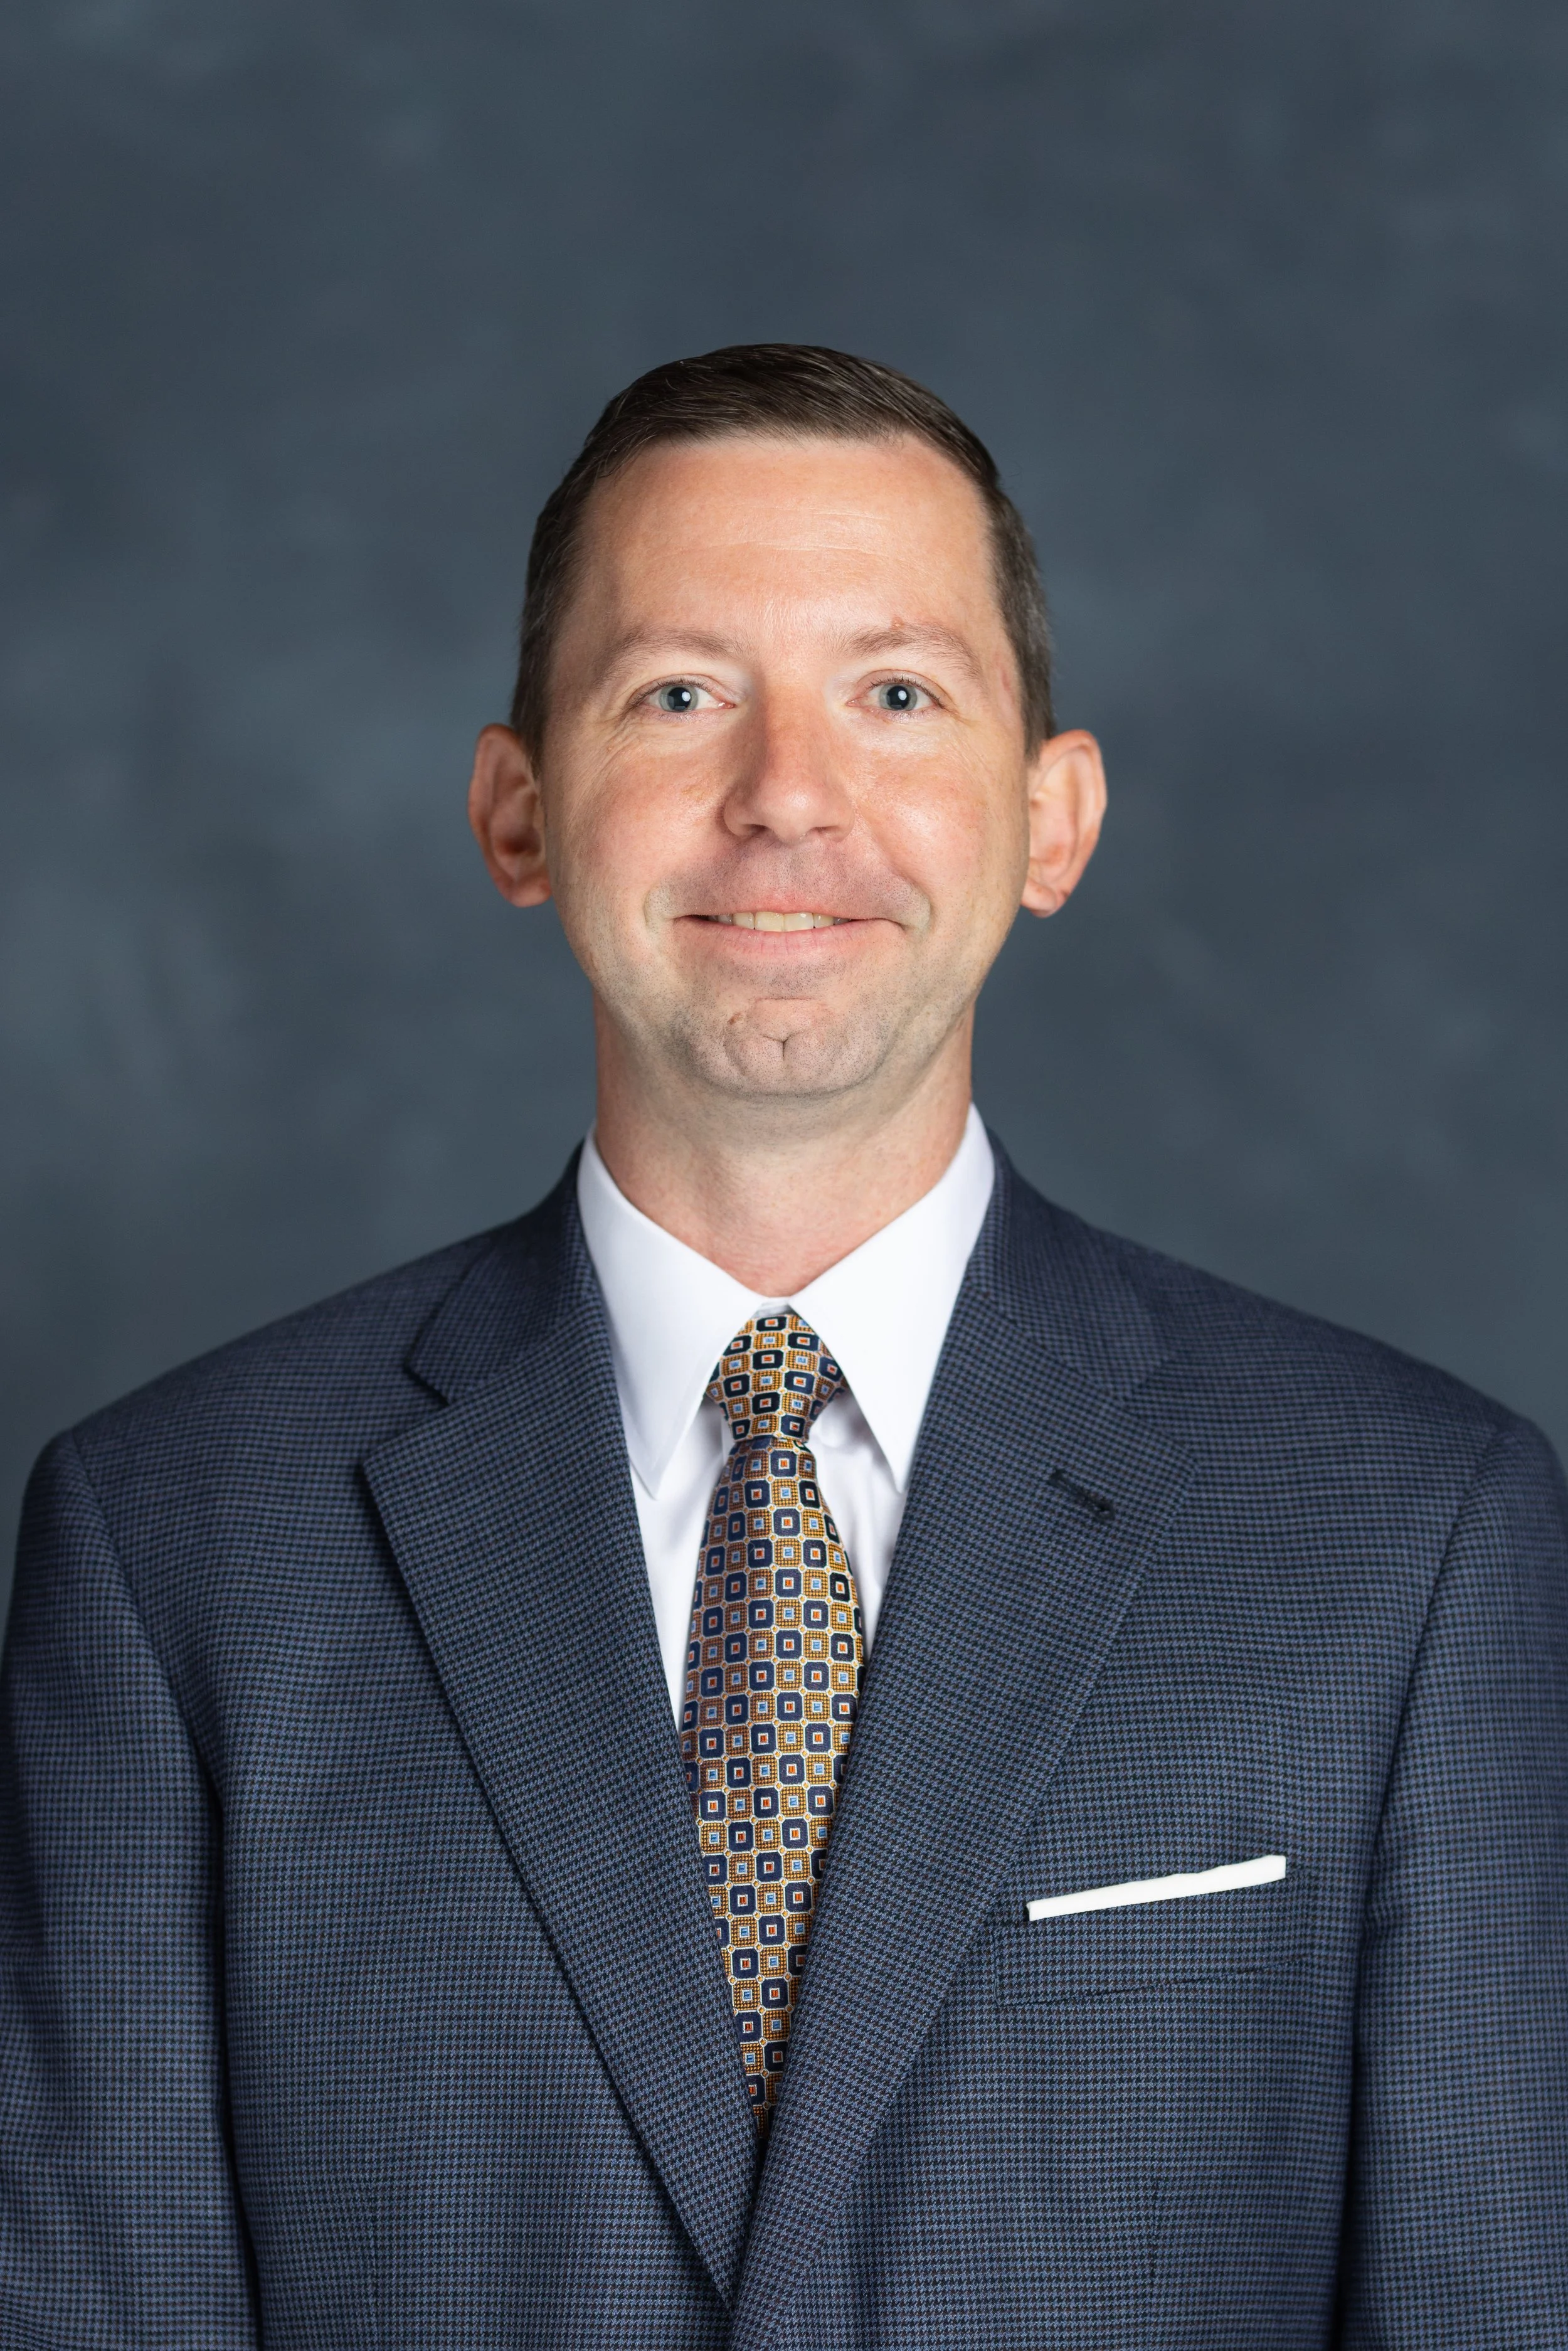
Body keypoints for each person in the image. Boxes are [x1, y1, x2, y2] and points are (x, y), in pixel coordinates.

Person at [1, 344, 1564, 2350]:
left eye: (895, 693)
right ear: (518, 809)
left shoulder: (1408, 1534)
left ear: (1048, 817)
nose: (787, 798)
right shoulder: (171, 1544)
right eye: (677, 695)